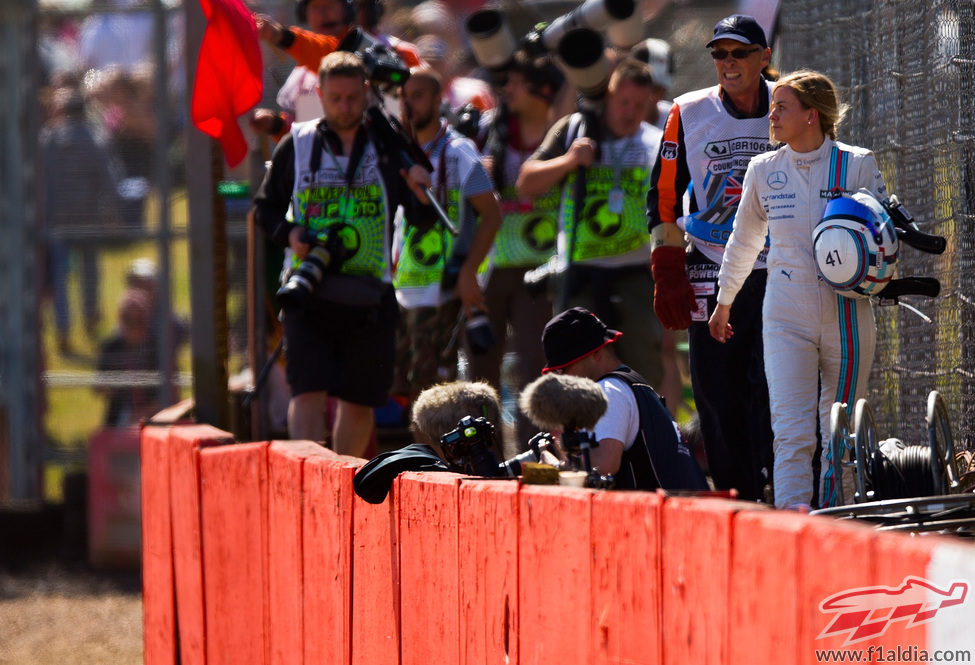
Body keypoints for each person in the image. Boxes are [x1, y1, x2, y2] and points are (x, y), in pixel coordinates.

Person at [709, 70, 888, 510]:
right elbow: (744, 241)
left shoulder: (857, 163)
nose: (771, 113)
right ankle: (794, 523)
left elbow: (888, 235)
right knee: (789, 431)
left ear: (812, 115)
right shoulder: (764, 169)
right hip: (785, 314)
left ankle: (833, 519)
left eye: (782, 106)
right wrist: (723, 302)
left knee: (838, 431)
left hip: (848, 313)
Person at [251, 50, 433, 456]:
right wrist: (291, 233)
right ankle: (308, 478)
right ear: (319, 93)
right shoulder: (297, 143)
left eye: (353, 98)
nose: (345, 107)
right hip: (308, 291)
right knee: (307, 391)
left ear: (367, 93)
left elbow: (421, 219)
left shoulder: (388, 147)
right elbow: (264, 209)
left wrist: (420, 187)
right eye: (336, 98)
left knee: (358, 399)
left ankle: (346, 479)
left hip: (370, 293)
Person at [646, 14, 776, 502]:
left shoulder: (788, 102)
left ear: (764, 57)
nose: (727, 62)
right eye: (719, 54)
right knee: (717, 394)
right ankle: (737, 496)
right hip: (710, 266)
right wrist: (666, 267)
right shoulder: (688, 110)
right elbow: (663, 194)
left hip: (776, 266)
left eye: (739, 53)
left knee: (773, 384)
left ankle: (782, 486)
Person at [518, 58, 664, 390]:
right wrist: (569, 160)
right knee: (577, 373)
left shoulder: (655, 141)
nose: (630, 112)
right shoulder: (574, 129)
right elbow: (526, 182)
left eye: (639, 105)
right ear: (607, 96)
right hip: (579, 273)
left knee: (643, 369)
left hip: (635, 274)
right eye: (623, 102)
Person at [466, 50, 563, 452]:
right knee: (480, 363)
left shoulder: (565, 131)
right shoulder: (490, 132)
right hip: (491, 264)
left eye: (516, 83)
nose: (506, 91)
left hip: (538, 267)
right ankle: (479, 452)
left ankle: (531, 453)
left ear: (541, 90)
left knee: (532, 363)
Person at [391, 66, 502, 403]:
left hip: (445, 290)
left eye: (419, 96)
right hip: (406, 288)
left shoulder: (458, 151)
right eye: (404, 97)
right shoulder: (396, 151)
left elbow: (492, 214)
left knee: (436, 394)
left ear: (438, 100)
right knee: (406, 391)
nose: (410, 105)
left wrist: (469, 272)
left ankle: (438, 456)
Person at [540, 307, 707, 491]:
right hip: (680, 509)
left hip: (668, 514)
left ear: (596, 354)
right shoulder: (630, 383)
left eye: (565, 369)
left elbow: (604, 466)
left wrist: (554, 464)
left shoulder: (609, 391)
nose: (561, 378)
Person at [250, 0, 422, 139]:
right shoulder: (303, 69)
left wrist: (283, 36)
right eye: (315, 7)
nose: (323, 14)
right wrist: (276, 125)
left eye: (330, 5)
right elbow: (305, 132)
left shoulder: (395, 54)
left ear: (349, 10)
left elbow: (337, 54)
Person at [40, 85, 121, 354]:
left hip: (57, 218)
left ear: (62, 111)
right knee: (89, 272)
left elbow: (38, 180)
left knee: (61, 276)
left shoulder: (48, 139)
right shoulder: (95, 137)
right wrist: (109, 212)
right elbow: (109, 178)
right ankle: (89, 315)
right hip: (88, 216)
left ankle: (63, 327)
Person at [96, 290, 166, 427]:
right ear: (120, 320)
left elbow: (170, 391)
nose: (133, 327)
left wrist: (144, 413)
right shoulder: (111, 347)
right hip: (120, 414)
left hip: (155, 414)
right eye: (128, 319)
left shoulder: (158, 348)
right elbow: (99, 386)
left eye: (138, 320)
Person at [629, 38, 674, 131]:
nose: (652, 97)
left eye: (658, 89)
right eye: (643, 86)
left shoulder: (679, 119)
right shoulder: (610, 124)